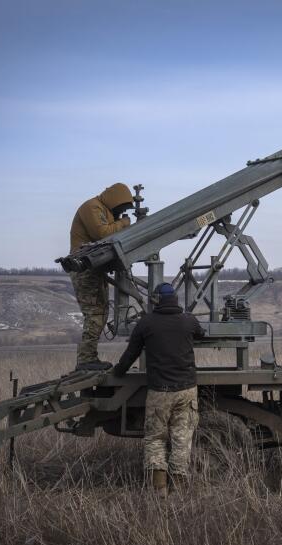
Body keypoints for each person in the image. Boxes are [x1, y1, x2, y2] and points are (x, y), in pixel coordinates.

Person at [112, 283, 205, 496]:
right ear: (175, 299)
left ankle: (159, 489)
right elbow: (201, 334)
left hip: (159, 393)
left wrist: (118, 372)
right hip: (186, 391)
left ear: (156, 301)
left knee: (155, 439)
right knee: (182, 439)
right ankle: (179, 488)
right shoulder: (188, 320)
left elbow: (130, 354)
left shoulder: (146, 323)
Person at [69, 182, 134, 370]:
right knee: (95, 313)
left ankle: (89, 357)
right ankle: (86, 360)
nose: (121, 212)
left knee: (101, 312)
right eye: (120, 208)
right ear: (115, 200)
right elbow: (102, 233)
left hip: (93, 268)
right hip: (84, 268)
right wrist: (124, 223)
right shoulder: (92, 207)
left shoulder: (102, 209)